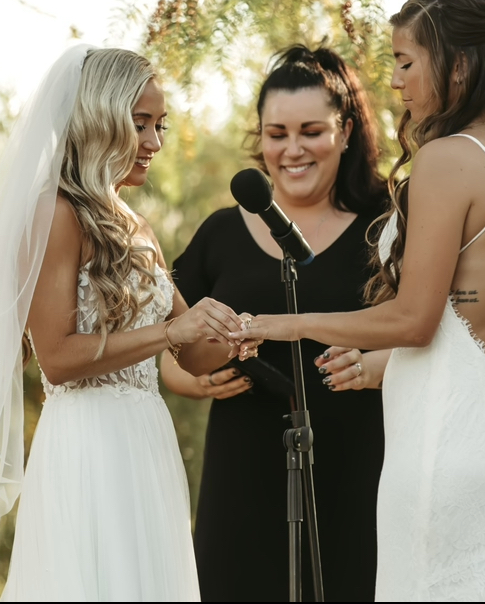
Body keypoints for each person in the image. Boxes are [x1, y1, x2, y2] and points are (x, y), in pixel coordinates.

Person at [232, 0, 485, 602]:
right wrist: (379, 367)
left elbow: (415, 318)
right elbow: (479, 331)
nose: (394, 80)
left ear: (460, 65)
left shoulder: (447, 158)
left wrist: (283, 323)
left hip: (441, 443)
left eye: (405, 61)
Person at [0, 46, 260, 601]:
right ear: (101, 119)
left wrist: (237, 336)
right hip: (87, 443)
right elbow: (57, 357)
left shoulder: (138, 226)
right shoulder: (56, 214)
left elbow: (191, 354)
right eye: (140, 124)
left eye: (160, 125)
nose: (155, 142)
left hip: (145, 443)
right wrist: (173, 333)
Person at [161, 45, 389, 601]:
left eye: (311, 131)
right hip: (241, 475)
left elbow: (432, 326)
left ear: (346, 130)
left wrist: (380, 363)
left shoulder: (383, 229)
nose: (292, 150)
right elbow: (165, 342)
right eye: (276, 133)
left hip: (357, 470)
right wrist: (190, 381)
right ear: (259, 138)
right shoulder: (218, 233)